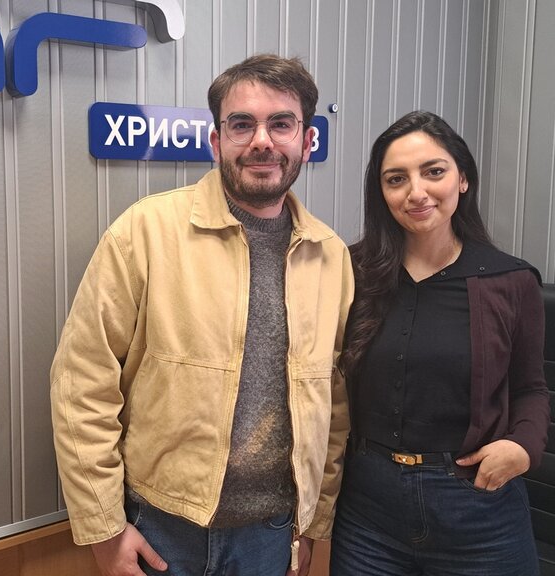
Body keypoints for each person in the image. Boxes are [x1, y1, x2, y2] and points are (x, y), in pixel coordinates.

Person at [50, 54, 353, 576]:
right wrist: (105, 529)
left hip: (272, 535)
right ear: (216, 141)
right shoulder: (145, 232)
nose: (262, 141)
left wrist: (313, 522)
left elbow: (336, 407)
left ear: (307, 141)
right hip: (159, 528)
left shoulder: (331, 256)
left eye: (281, 124)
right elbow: (82, 385)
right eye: (242, 124)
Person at [330, 110, 550, 575]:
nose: (416, 192)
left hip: (476, 506)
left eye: (433, 171)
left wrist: (524, 446)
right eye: (396, 179)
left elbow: (531, 387)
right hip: (369, 511)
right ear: (380, 192)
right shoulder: (351, 273)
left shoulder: (510, 281)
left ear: (462, 179)